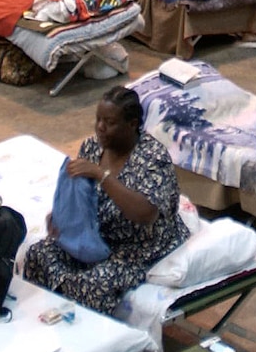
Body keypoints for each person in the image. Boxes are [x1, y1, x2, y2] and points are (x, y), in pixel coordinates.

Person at [22, 89, 188, 314]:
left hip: (136, 249)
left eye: (109, 122)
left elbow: (145, 214)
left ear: (132, 124)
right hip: (97, 236)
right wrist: (61, 217)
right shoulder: (92, 147)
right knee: (38, 254)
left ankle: (86, 334)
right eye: (98, 119)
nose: (100, 127)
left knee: (94, 284)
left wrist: (102, 175)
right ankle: (47, 317)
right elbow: (78, 197)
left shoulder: (152, 157)